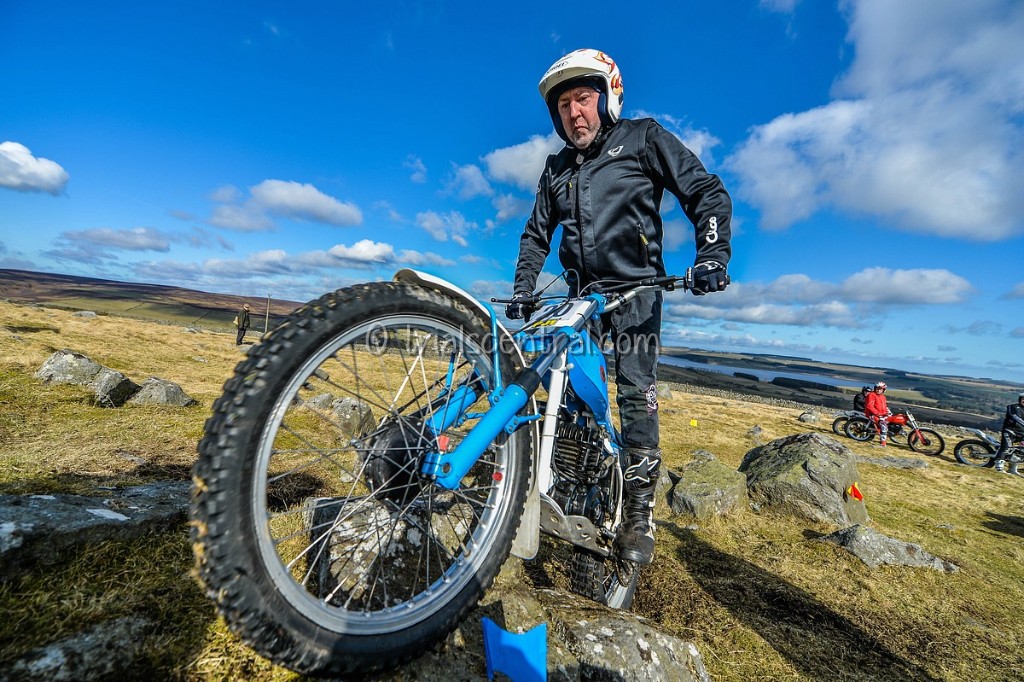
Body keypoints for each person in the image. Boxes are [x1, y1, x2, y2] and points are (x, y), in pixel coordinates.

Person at [506, 49, 733, 565]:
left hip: (637, 292)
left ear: (608, 96)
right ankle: (567, 478)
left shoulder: (643, 138)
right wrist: (523, 288)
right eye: (563, 105)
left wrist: (711, 255)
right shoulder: (556, 167)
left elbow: (705, 192)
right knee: (565, 386)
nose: (573, 113)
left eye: (582, 99)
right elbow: (536, 235)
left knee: (635, 392)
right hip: (580, 299)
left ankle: (638, 512)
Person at [993, 392, 1024, 473]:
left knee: (1020, 450)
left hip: (1021, 433)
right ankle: (999, 466)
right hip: (1010, 431)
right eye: (1023, 399)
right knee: (1006, 447)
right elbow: (1016, 417)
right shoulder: (1013, 407)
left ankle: (1013, 468)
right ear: (1020, 399)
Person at [864, 381, 891, 446]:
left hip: (881, 414)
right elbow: (870, 406)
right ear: (875, 388)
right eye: (877, 389)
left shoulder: (883, 397)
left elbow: (885, 406)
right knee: (883, 425)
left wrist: (888, 412)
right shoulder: (871, 395)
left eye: (880, 389)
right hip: (872, 414)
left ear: (883, 390)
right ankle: (883, 443)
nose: (878, 390)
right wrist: (878, 413)